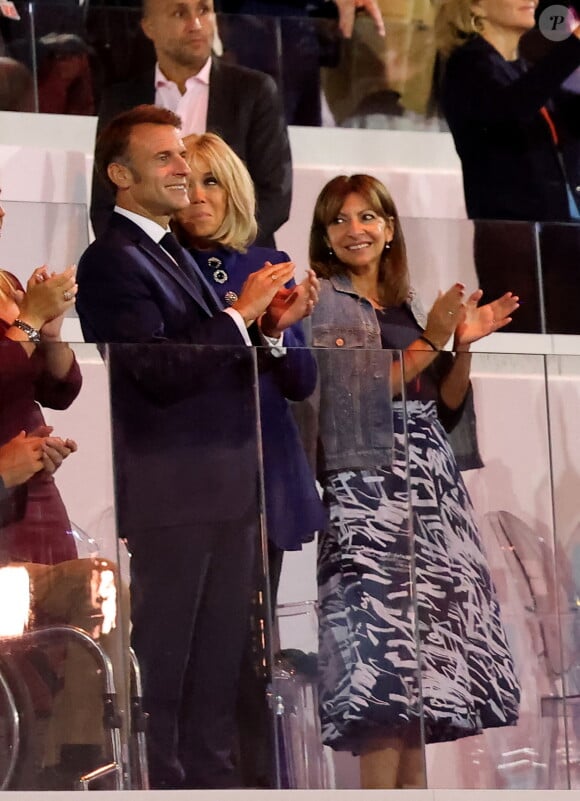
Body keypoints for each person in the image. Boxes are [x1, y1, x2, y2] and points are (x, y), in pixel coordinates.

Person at [75, 104, 318, 790]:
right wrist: (238, 316)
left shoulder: (169, 251)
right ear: (121, 176)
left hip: (228, 493)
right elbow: (151, 369)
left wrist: (266, 329)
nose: (183, 169)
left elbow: (222, 360)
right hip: (173, 499)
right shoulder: (110, 260)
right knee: (173, 679)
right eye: (165, 159)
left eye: (183, 156)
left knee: (218, 680)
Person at [308, 174, 521, 789]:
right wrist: (433, 337)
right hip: (367, 495)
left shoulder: (404, 305)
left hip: (431, 495)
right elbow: (359, 394)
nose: (356, 230)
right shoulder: (325, 301)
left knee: (422, 687)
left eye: (368, 217)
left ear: (390, 228)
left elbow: (446, 403)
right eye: (340, 220)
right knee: (381, 678)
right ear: (324, 237)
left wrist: (462, 344)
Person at [171, 130, 326, 786]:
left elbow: (301, 380)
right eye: (187, 182)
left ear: (233, 189)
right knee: (206, 655)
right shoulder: (159, 262)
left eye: (212, 181)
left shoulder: (268, 263)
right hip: (191, 483)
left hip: (262, 483)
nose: (199, 196)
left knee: (253, 654)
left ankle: (265, 782)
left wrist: (274, 332)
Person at [90, 0, 291, 248]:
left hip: (239, 260)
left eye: (204, 10)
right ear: (149, 27)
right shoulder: (120, 100)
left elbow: (275, 196)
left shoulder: (254, 91)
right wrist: (149, 259)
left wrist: (217, 253)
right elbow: (105, 202)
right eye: (179, 13)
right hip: (152, 270)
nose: (195, 24)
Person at [435, 0, 580, 332]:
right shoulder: (468, 66)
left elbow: (566, 116)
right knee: (528, 353)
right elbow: (511, 109)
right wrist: (574, 45)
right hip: (514, 242)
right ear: (477, 7)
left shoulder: (522, 69)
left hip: (557, 237)